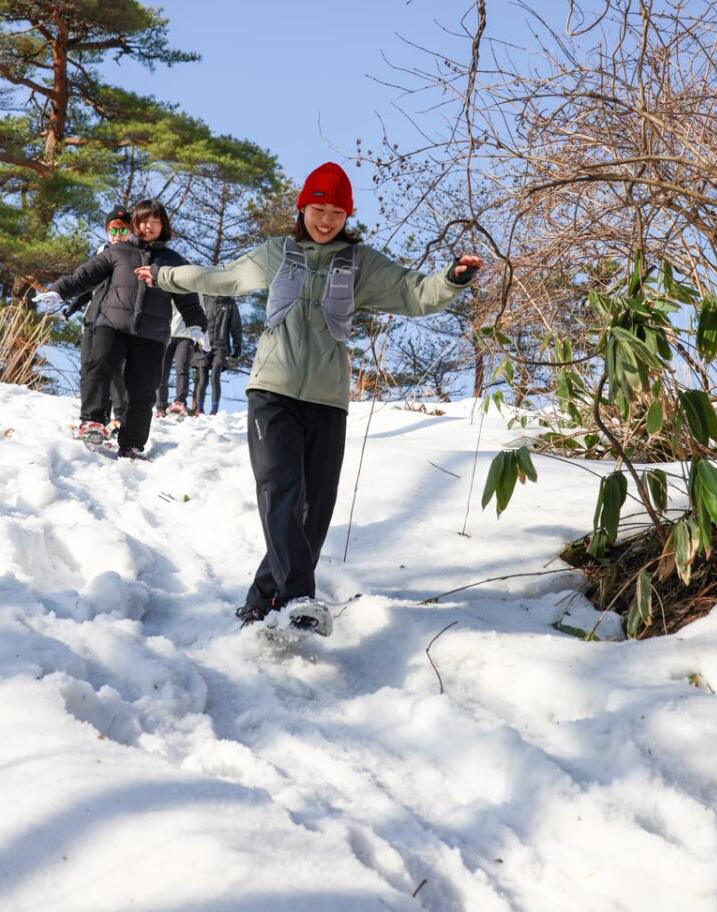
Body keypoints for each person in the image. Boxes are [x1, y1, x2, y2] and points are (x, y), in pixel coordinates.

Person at [135, 162, 482, 630]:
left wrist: (453, 278)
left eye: (337, 213)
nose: (326, 220)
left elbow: (413, 293)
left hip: (327, 398)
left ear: (347, 216)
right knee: (280, 489)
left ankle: (262, 603)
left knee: (315, 510)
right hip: (272, 391)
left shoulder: (360, 263)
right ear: (303, 208)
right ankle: (299, 594)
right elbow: (221, 279)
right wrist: (165, 277)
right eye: (319, 210)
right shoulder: (277, 253)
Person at [35, 198, 207, 459]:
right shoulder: (119, 251)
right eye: (143, 221)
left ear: (163, 225)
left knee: (143, 389)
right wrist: (59, 291)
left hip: (152, 333)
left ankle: (132, 443)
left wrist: (196, 324)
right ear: (134, 224)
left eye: (155, 221)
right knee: (99, 365)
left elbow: (188, 299)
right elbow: (85, 275)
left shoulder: (175, 262)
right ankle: (92, 421)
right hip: (112, 324)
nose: (148, 226)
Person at [63, 206, 131, 431]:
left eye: (123, 230)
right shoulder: (101, 253)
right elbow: (87, 287)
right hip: (92, 317)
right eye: (113, 230)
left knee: (112, 369)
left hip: (116, 321)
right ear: (106, 231)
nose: (118, 235)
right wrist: (71, 308)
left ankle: (119, 416)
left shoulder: (133, 256)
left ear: (131, 232)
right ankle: (92, 420)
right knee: (88, 369)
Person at [192, 294, 243, 415]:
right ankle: (199, 409)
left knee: (215, 377)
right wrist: (192, 342)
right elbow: (193, 321)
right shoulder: (203, 299)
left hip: (221, 347)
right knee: (203, 379)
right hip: (203, 345)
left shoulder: (230, 304)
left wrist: (237, 346)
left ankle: (214, 410)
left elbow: (236, 327)